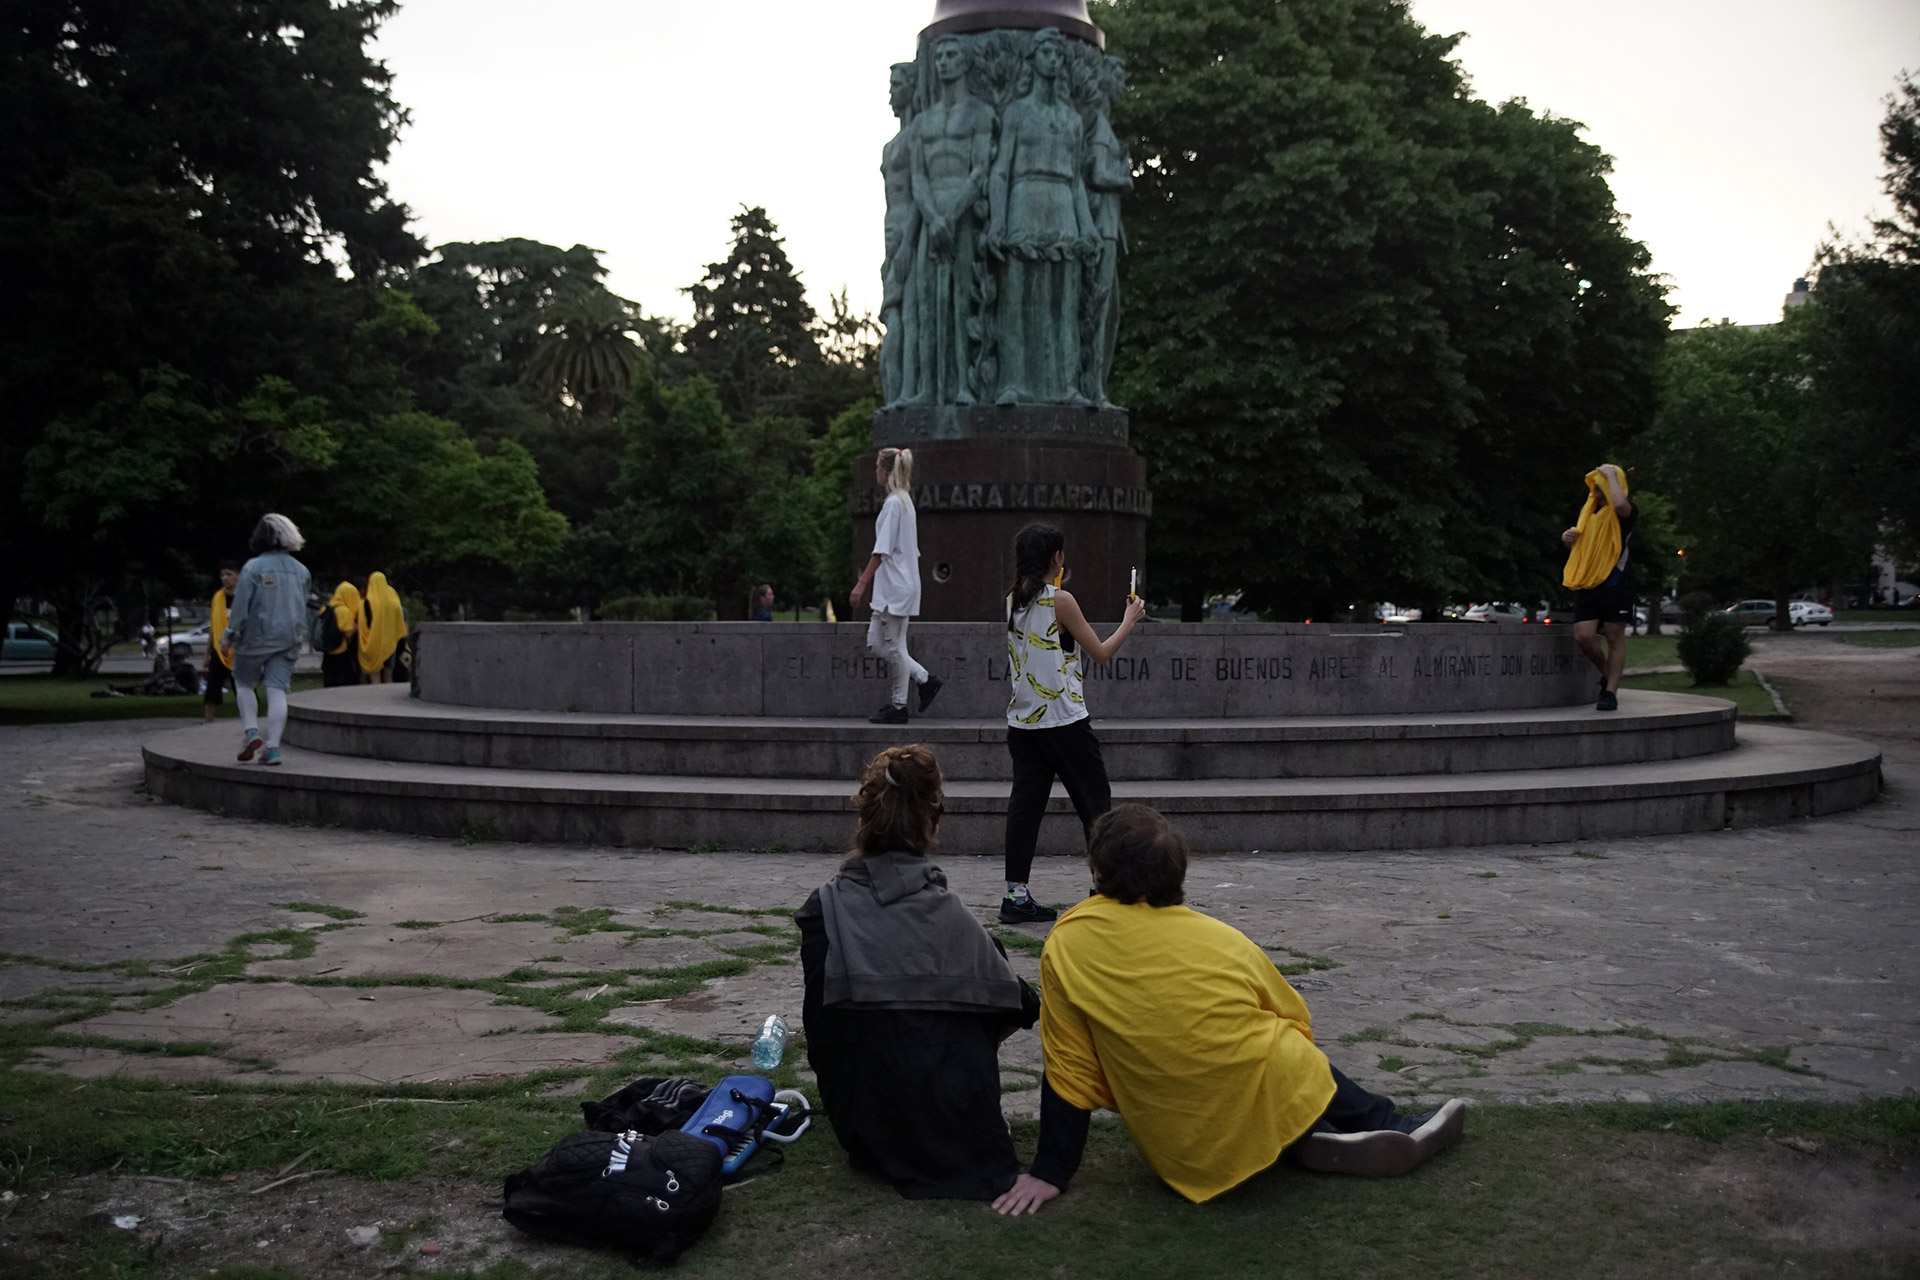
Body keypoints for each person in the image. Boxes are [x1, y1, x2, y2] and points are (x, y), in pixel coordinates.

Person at [992, 804, 1468, 1217]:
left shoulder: (1066, 944)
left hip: (1181, 1144)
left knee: (1257, 1060)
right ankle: (1370, 1121)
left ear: (1097, 873)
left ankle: (1304, 1135)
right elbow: (1291, 1014)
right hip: (1262, 1076)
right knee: (1282, 1051)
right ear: (1177, 875)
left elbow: (1069, 1065)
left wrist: (1051, 1172)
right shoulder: (1221, 938)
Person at [794, 744, 1038, 1199]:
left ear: (863, 816)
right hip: (962, 1137)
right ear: (934, 820)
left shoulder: (821, 910)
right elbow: (1023, 1004)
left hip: (863, 1129)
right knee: (988, 967)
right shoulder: (949, 918)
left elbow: (821, 1030)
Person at [999, 522, 1145, 924]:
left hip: (1024, 723)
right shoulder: (1060, 601)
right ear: (1056, 558)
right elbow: (1099, 652)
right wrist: (1129, 619)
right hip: (1064, 720)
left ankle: (1015, 895)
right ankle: (1103, 889)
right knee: (1095, 805)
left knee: (1025, 808)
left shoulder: (1013, 600)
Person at [850, 448, 941, 724]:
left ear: (886, 471)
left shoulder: (894, 503)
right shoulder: (903, 501)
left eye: (878, 468)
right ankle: (924, 680)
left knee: (892, 646)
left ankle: (900, 704)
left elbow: (881, 550)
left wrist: (861, 584)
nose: (875, 472)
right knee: (879, 643)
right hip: (896, 586)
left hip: (895, 587)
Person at [222, 514, 311, 766]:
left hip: (253, 639)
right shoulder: (302, 571)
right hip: (287, 640)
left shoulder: (252, 568)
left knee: (243, 683)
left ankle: (251, 732)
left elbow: (241, 608)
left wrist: (228, 635)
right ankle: (272, 748)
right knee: (277, 690)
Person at [1561, 463, 1636, 711]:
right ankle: (1608, 674)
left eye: (1600, 483)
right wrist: (1567, 538)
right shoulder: (1588, 514)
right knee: (1583, 635)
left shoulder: (1624, 513)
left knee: (1615, 636)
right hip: (1588, 580)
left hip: (1614, 581)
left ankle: (1610, 693)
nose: (1595, 487)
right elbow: (1583, 546)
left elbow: (1621, 504)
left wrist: (1612, 474)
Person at [202, 561, 239, 723]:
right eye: (223, 575)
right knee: (212, 690)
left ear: (238, 576)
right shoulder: (217, 598)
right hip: (218, 651)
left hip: (238, 651)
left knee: (242, 690)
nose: (225, 578)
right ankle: (208, 723)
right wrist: (206, 653)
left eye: (229, 574)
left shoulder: (244, 598)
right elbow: (213, 627)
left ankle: (247, 725)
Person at [357, 571, 407, 684]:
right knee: (389, 676)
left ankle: (376, 699)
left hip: (373, 644)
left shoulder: (367, 602)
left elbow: (363, 625)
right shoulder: (393, 598)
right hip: (390, 644)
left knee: (375, 677)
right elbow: (399, 620)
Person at [318, 581, 361, 688]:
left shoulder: (325, 608)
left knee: (329, 684)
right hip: (341, 653)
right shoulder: (344, 611)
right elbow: (348, 634)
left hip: (327, 652)